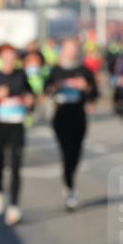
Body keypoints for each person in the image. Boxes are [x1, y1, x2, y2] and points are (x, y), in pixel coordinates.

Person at [0, 44, 37, 226]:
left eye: (12, 57)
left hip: (17, 125)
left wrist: (29, 100)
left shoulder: (21, 75)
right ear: (0, 58)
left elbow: (30, 93)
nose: (9, 60)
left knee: (15, 166)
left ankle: (14, 206)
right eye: (6, 57)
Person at [45, 38, 99, 210]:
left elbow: (94, 94)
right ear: (62, 50)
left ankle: (70, 180)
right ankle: (69, 187)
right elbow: (46, 90)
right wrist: (55, 87)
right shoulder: (55, 70)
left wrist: (85, 88)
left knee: (76, 154)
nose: (71, 52)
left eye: (73, 49)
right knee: (66, 152)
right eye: (68, 48)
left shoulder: (84, 70)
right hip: (60, 116)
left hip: (78, 115)